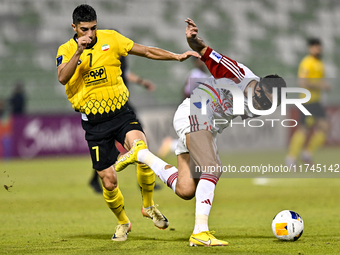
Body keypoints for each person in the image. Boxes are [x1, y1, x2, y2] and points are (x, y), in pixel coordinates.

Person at [115, 18, 286, 246]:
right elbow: (205, 52)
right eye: (263, 98)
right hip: (194, 112)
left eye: (269, 104)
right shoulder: (237, 74)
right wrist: (194, 40)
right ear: (259, 84)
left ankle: (142, 155)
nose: (263, 104)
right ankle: (200, 231)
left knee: (186, 190)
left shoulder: (262, 107)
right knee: (212, 167)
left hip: (207, 127)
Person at [56, 4, 199, 241]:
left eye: (93, 28)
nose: (89, 35)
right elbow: (63, 77)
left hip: (121, 114)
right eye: (84, 30)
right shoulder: (66, 49)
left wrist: (176, 56)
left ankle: (148, 205)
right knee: (109, 182)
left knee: (141, 150)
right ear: (74, 27)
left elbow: (146, 51)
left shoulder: (111, 39)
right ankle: (123, 222)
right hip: (94, 124)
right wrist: (78, 53)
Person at [89, 55, 156, 194]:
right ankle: (97, 179)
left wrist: (142, 82)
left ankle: (143, 180)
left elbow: (126, 74)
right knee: (109, 145)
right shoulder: (106, 60)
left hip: (123, 104)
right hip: (113, 105)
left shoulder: (117, 59)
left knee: (140, 139)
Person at [285, 38, 330, 166]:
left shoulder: (320, 63)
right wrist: (321, 85)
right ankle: (291, 157)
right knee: (304, 129)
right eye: (315, 46)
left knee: (324, 127)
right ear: (310, 48)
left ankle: (306, 153)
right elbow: (302, 82)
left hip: (316, 101)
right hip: (307, 101)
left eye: (319, 46)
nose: (318, 49)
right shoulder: (307, 63)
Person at [157, 56, 208, 158]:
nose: (203, 62)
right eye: (200, 60)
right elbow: (187, 91)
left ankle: (171, 144)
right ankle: (171, 144)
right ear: (196, 62)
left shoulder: (202, 75)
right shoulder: (195, 74)